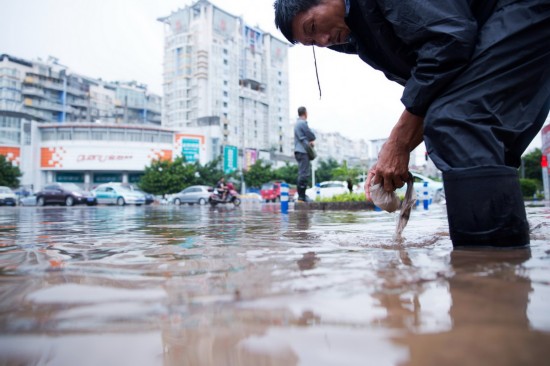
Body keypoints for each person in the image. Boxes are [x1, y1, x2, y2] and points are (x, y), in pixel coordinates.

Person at [274, 0, 550, 247]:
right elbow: (436, 87)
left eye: (313, 26)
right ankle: (504, 261)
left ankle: (485, 269)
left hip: (522, 11)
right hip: (493, 34)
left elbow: (449, 43)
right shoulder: (361, 35)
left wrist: (399, 142)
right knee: (472, 135)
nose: (323, 41)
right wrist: (391, 155)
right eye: (312, 43)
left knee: (457, 122)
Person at [294, 106, 317, 202]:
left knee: (302, 173)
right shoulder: (302, 123)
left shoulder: (297, 124)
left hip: (299, 150)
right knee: (304, 173)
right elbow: (311, 135)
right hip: (303, 151)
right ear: (305, 113)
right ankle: (302, 197)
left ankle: (302, 196)